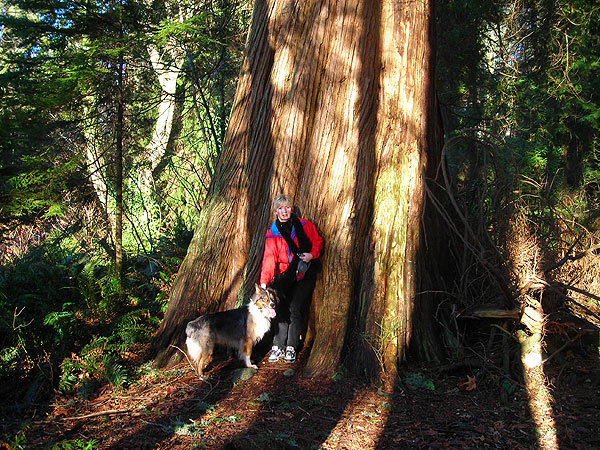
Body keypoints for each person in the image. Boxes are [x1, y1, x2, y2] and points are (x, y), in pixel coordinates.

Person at [260, 194, 324, 363]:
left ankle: (291, 346)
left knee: (295, 308)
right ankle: (278, 345)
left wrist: (311, 255)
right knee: (281, 308)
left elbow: (317, 241)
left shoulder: (303, 225)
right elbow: (269, 258)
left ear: (291, 209)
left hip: (303, 273)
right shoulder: (273, 232)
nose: (284, 211)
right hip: (284, 275)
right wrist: (264, 281)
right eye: (280, 208)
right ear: (276, 211)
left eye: (287, 207)